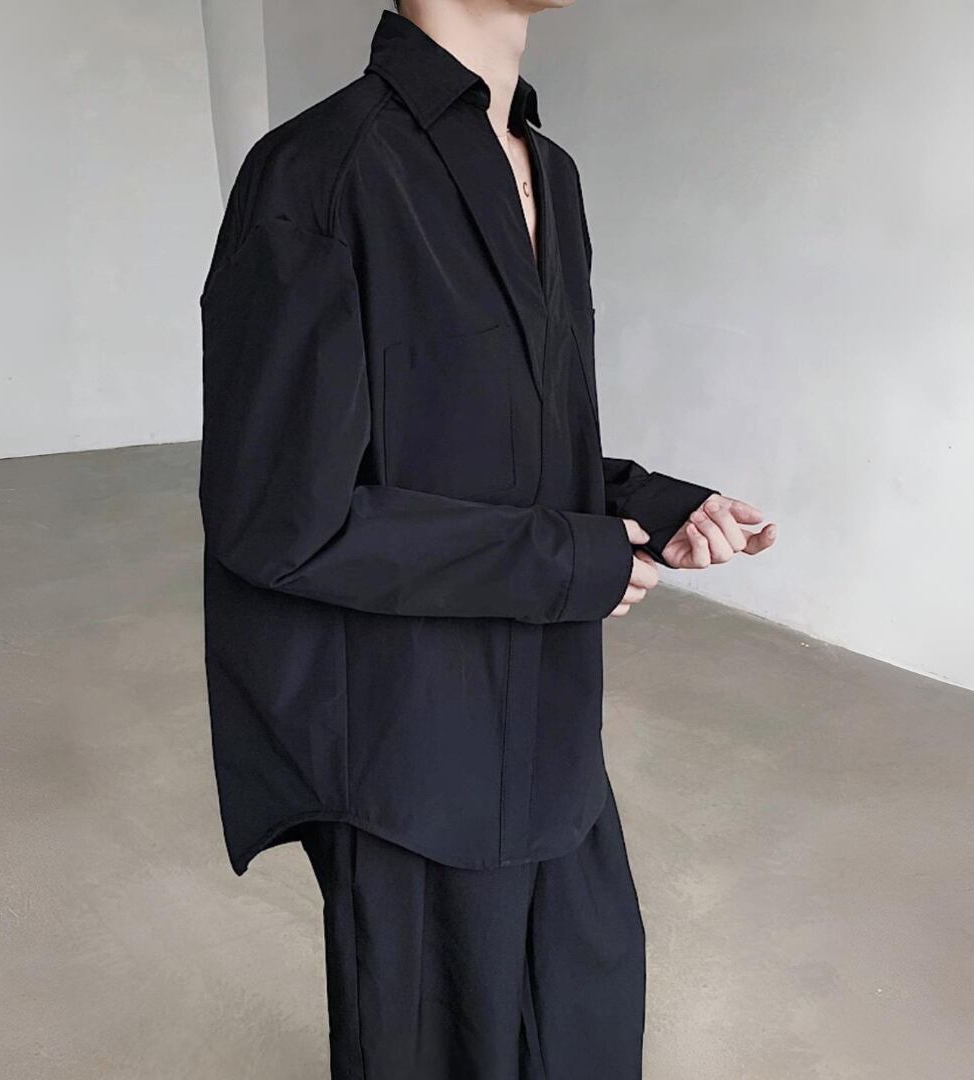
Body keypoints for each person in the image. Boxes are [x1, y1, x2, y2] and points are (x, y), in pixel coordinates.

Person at [198, 2, 776, 1076]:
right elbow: (281, 521)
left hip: (551, 727)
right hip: (410, 753)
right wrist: (572, 562)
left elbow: (504, 444)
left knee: (591, 1017)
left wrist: (652, 502)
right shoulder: (318, 173)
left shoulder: (552, 173)